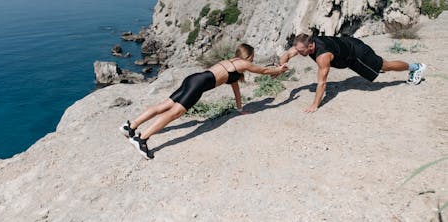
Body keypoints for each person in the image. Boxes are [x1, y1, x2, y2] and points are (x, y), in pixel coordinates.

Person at [119, 43, 289, 159]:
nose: (252, 61)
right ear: (249, 56)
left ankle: (130, 126)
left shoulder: (232, 64)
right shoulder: (243, 64)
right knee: (174, 113)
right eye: (252, 57)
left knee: (164, 105)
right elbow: (264, 70)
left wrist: (240, 109)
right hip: (199, 85)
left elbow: (236, 89)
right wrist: (279, 69)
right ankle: (142, 140)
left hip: (193, 79)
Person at [279, 33, 426, 113]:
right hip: (346, 47)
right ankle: (412, 67)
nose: (297, 52)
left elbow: (322, 83)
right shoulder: (305, 44)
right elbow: (288, 54)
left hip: (356, 53)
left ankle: (415, 67)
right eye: (297, 50)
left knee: (384, 65)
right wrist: (282, 65)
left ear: (310, 46)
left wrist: (315, 105)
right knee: (380, 67)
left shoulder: (322, 56)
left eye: (300, 51)